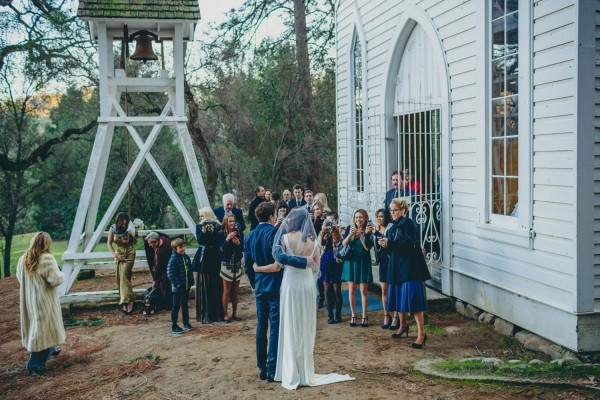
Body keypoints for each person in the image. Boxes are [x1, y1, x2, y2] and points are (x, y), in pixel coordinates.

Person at [268, 207, 355, 390]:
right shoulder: (314, 241)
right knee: (304, 325)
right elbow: (316, 268)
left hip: (291, 284)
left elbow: (279, 260)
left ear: (294, 221)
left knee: (291, 324)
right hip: (307, 285)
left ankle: (291, 372)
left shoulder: (284, 238)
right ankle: (305, 371)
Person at [244, 202, 307, 382]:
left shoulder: (249, 237)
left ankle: (261, 367)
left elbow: (247, 265)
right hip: (275, 286)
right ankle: (272, 368)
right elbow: (279, 262)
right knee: (276, 326)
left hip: (260, 287)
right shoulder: (275, 233)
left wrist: (254, 284)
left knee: (261, 326)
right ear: (272, 216)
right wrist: (306, 263)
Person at [379, 198, 431, 348]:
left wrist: (391, 243)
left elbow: (409, 244)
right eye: (391, 210)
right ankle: (402, 326)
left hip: (410, 267)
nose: (393, 213)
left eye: (395, 210)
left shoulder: (407, 223)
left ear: (403, 210)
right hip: (396, 266)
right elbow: (393, 247)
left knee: (414, 301)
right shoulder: (393, 226)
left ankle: (421, 334)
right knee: (397, 297)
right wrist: (385, 244)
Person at [16, 232, 65, 374]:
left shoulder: (23, 258)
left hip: (30, 302)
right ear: (47, 244)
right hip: (44, 301)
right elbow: (55, 280)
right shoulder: (47, 259)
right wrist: (61, 272)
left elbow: (20, 278)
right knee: (42, 330)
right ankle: (34, 364)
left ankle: (51, 349)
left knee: (39, 327)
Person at [341, 209, 375, 327]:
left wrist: (361, 235)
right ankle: (353, 315)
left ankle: (365, 316)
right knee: (351, 290)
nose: (358, 220)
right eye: (356, 217)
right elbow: (343, 244)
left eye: (360, 217)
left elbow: (367, 248)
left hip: (363, 262)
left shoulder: (369, 230)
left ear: (365, 218)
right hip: (351, 261)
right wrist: (350, 234)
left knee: (364, 290)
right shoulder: (349, 228)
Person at [194, 207, 224, 324]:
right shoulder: (200, 227)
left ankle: (216, 313)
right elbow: (200, 240)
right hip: (205, 256)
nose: (201, 218)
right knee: (204, 283)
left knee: (215, 282)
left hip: (214, 256)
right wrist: (203, 230)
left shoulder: (218, 226)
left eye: (202, 216)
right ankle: (206, 314)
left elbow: (218, 240)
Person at [107, 211, 138, 315]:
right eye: (123, 223)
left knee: (124, 275)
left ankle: (129, 301)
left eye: (126, 223)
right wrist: (115, 255)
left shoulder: (129, 228)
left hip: (129, 253)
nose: (124, 225)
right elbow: (109, 243)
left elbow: (135, 242)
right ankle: (125, 300)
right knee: (120, 278)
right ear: (118, 222)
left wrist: (133, 234)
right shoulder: (113, 228)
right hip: (118, 254)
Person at [372, 209, 398, 329]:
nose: (379, 218)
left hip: (392, 262)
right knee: (384, 291)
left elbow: (392, 244)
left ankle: (397, 317)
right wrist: (371, 233)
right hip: (382, 262)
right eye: (377, 216)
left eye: (381, 216)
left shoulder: (391, 228)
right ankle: (386, 315)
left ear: (386, 217)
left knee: (394, 290)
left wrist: (377, 235)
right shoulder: (376, 231)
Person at [218, 214, 244, 323]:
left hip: (237, 264)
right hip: (226, 264)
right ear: (225, 222)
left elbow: (242, 250)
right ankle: (225, 315)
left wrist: (238, 244)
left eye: (233, 221)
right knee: (226, 290)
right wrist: (227, 239)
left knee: (235, 291)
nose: (232, 223)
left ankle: (235, 313)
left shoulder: (238, 233)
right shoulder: (220, 234)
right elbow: (220, 249)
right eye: (229, 221)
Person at [320, 212, 343, 324]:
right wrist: (324, 229)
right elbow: (320, 243)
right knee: (326, 289)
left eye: (332, 220)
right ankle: (330, 315)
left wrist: (334, 229)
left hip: (336, 261)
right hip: (325, 260)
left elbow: (338, 242)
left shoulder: (341, 230)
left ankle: (338, 314)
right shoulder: (324, 231)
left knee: (337, 290)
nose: (330, 223)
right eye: (328, 220)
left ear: (337, 220)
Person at [167, 238, 194, 334]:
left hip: (186, 287)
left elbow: (190, 270)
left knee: (184, 306)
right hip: (177, 289)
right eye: (180, 247)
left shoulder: (186, 257)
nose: (183, 249)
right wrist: (178, 284)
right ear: (175, 249)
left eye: (183, 246)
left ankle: (186, 323)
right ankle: (174, 326)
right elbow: (170, 274)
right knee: (176, 307)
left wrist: (191, 280)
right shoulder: (173, 259)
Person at [143, 231, 173, 312]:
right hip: (166, 265)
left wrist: (155, 280)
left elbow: (159, 268)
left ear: (156, 241)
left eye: (150, 243)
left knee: (165, 284)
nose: (149, 245)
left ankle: (168, 304)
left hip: (168, 267)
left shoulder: (162, 252)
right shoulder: (162, 239)